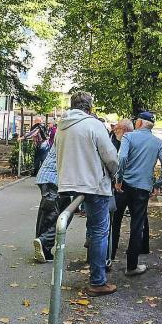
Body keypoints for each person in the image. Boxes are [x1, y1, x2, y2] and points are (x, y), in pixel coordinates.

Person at [56, 92, 118, 296]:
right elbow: (111, 158)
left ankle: (91, 257)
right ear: (89, 107)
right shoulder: (94, 125)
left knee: (87, 227)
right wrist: (114, 174)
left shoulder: (62, 127)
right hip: (94, 184)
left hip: (69, 183)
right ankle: (97, 281)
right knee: (100, 230)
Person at [114, 111, 162, 276]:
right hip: (143, 189)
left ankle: (108, 258)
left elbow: (122, 158)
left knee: (114, 220)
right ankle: (132, 266)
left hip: (124, 186)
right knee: (137, 225)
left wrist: (119, 179)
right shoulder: (158, 143)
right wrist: (157, 184)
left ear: (138, 123)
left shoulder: (128, 137)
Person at [32, 143, 71, 263]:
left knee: (49, 212)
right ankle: (43, 242)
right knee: (57, 213)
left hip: (48, 177)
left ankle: (43, 246)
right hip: (53, 179)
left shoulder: (64, 130)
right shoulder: (71, 132)